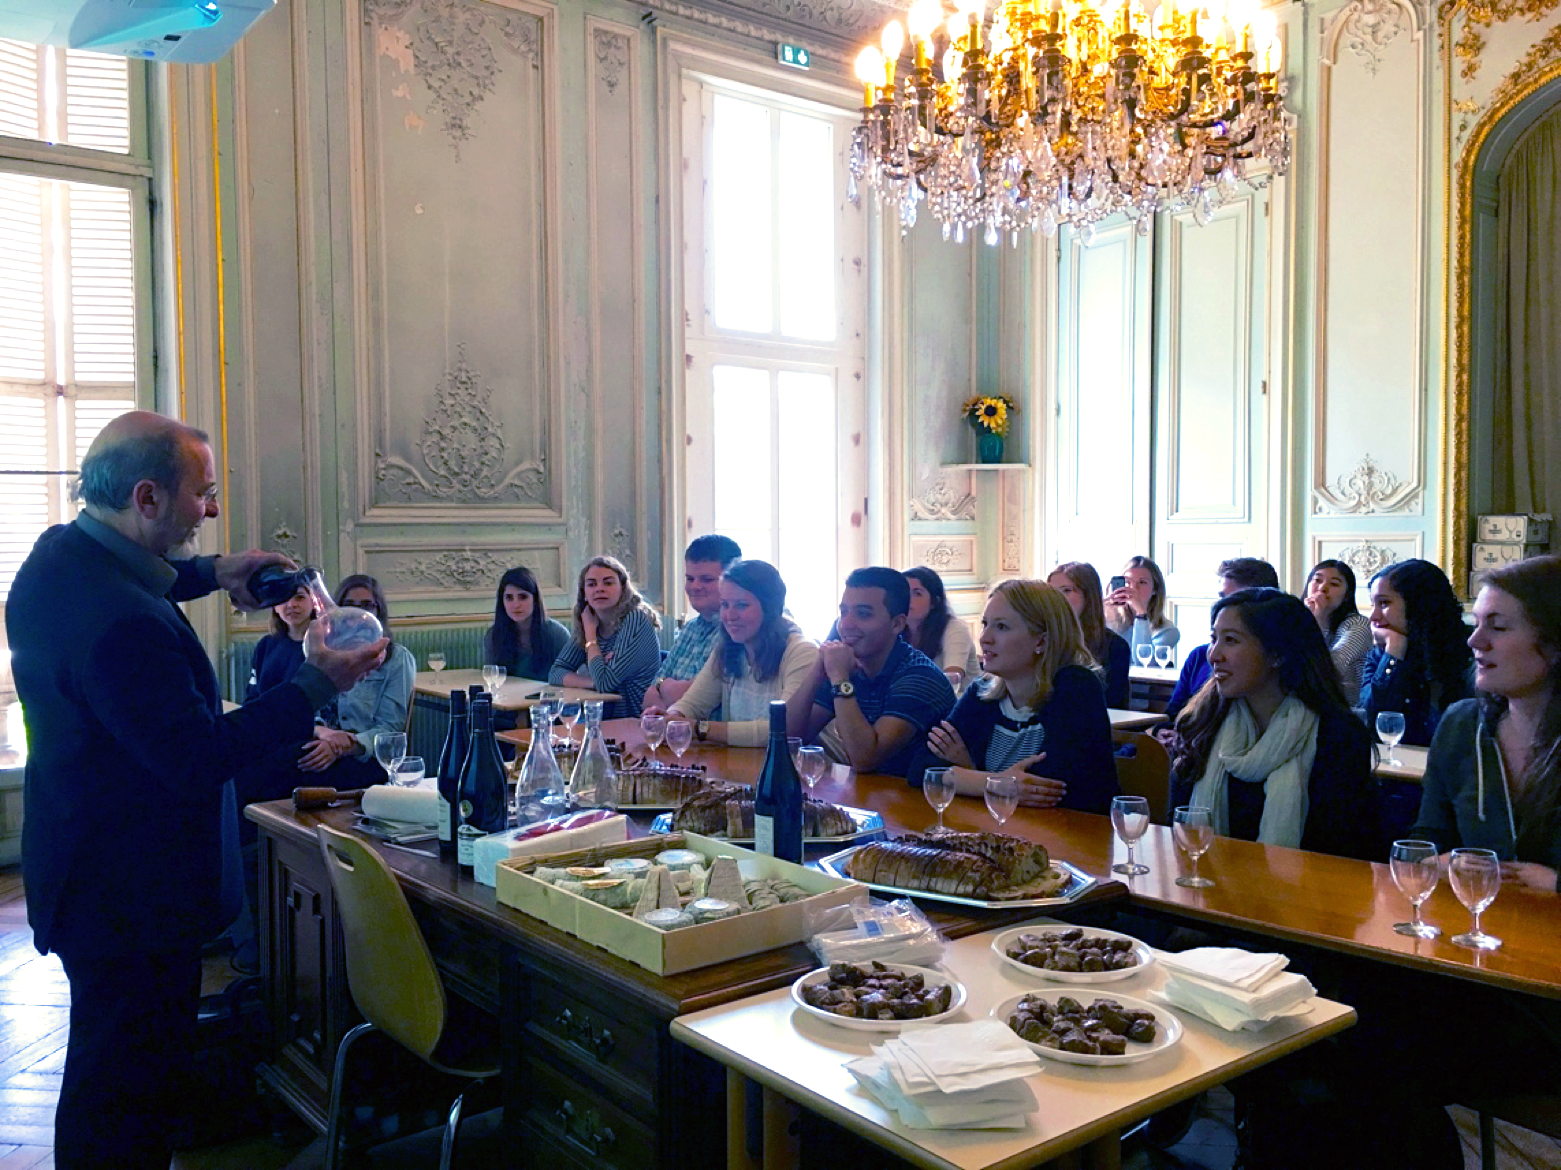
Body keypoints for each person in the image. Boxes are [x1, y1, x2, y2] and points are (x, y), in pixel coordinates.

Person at [5, 410, 384, 1170]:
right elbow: (197, 756)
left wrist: (216, 572)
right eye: (202, 494)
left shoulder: (59, 556)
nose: (210, 511)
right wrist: (315, 680)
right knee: (123, 1092)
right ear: (147, 497)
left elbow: (136, 574)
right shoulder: (121, 625)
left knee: (111, 1072)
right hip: (130, 895)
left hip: (79, 865)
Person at [1169, 588, 1376, 859]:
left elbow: (1342, 849)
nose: (1213, 655)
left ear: (1277, 654)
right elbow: (1176, 831)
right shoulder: (1202, 724)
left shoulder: (1338, 736)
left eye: (1230, 640)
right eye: (1214, 638)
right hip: (1205, 888)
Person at [1412, 555, 1561, 888]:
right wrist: (1442, 861)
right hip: (1477, 928)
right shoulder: (1461, 725)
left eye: (1498, 627)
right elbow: (1426, 839)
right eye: (1476, 623)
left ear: (1554, 645)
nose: (1474, 640)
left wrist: (1556, 885)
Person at [909, 580, 1119, 814]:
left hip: (1075, 840)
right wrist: (992, 782)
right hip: (1004, 833)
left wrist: (968, 769)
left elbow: (1047, 789)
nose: (984, 638)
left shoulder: (1076, 685)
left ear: (1041, 640)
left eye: (1001, 627)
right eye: (985, 624)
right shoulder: (983, 691)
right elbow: (922, 770)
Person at [786, 566, 956, 777]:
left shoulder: (919, 675)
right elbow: (788, 738)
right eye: (843, 612)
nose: (846, 624)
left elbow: (865, 759)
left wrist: (839, 679)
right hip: (874, 798)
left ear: (897, 624)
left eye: (863, 614)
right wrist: (816, 673)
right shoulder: (850, 665)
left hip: (928, 804)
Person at [645, 560, 819, 746]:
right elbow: (692, 704)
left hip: (814, 769)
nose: (729, 616)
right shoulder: (728, 647)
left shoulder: (802, 652)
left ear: (770, 609)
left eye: (742, 605)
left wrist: (700, 728)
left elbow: (781, 729)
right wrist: (671, 718)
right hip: (745, 765)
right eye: (725, 605)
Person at [297, 575, 416, 787]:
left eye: (367, 606)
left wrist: (343, 745)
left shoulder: (397, 659)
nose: (358, 614)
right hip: (315, 744)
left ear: (378, 610)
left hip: (362, 758)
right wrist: (321, 732)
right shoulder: (322, 652)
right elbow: (303, 707)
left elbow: (391, 728)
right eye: (349, 605)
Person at [1360, 559, 1473, 747]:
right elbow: (1372, 718)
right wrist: (1395, 651)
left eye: (1384, 603)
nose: (1373, 616)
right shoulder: (1382, 654)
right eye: (1373, 605)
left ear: (1418, 603)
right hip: (1398, 770)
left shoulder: (1470, 647)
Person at [1162, 557, 1280, 724]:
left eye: (1236, 599)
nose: (1225, 607)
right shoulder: (1199, 656)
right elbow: (1172, 715)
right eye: (1222, 598)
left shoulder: (1269, 667)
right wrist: (1163, 732)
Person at [549, 555, 662, 718]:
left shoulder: (635, 619)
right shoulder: (588, 621)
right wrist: (593, 681)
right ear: (584, 593)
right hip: (603, 719)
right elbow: (556, 673)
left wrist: (591, 638)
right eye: (592, 584)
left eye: (608, 583)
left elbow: (605, 683)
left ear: (623, 589)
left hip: (637, 721)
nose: (599, 589)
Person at [641, 534, 741, 710]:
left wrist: (667, 689)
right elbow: (649, 698)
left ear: (733, 581)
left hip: (710, 736)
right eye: (690, 579)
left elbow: (702, 700)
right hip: (669, 733)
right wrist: (667, 687)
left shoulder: (739, 630)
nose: (695, 587)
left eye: (707, 579)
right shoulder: (690, 628)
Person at [1048, 561, 1129, 708]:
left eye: (1066, 590)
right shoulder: (1040, 640)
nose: (1057, 599)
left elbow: (1113, 702)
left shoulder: (1115, 646)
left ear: (1088, 596)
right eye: (1052, 592)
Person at [1302, 558, 1372, 707]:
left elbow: (1330, 669)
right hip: (1303, 703)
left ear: (1346, 595)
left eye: (1334, 584)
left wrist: (1317, 623)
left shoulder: (1358, 624)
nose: (1322, 588)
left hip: (1343, 709)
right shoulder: (1293, 619)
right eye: (1317, 580)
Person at [483, 565, 570, 682]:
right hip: (508, 698)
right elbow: (493, 679)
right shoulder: (494, 635)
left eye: (523, 597)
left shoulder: (557, 634)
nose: (516, 604)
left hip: (549, 698)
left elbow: (569, 678)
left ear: (535, 600)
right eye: (509, 598)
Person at [902, 566, 980, 691]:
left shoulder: (955, 629)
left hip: (960, 705)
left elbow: (952, 678)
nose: (908, 599)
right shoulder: (894, 629)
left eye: (917, 593)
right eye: (904, 592)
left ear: (934, 602)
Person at [244, 582, 312, 702]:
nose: (291, 604)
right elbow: (252, 696)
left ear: (313, 602)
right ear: (275, 607)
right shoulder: (265, 646)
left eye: (299, 597)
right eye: (283, 598)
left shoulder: (324, 646)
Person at [1103, 554, 1180, 657]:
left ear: (1155, 590)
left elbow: (1142, 661)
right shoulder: (1108, 618)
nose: (1133, 588)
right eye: (1127, 582)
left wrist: (1141, 615)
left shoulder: (1168, 631)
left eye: (1142, 582)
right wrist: (1099, 612)